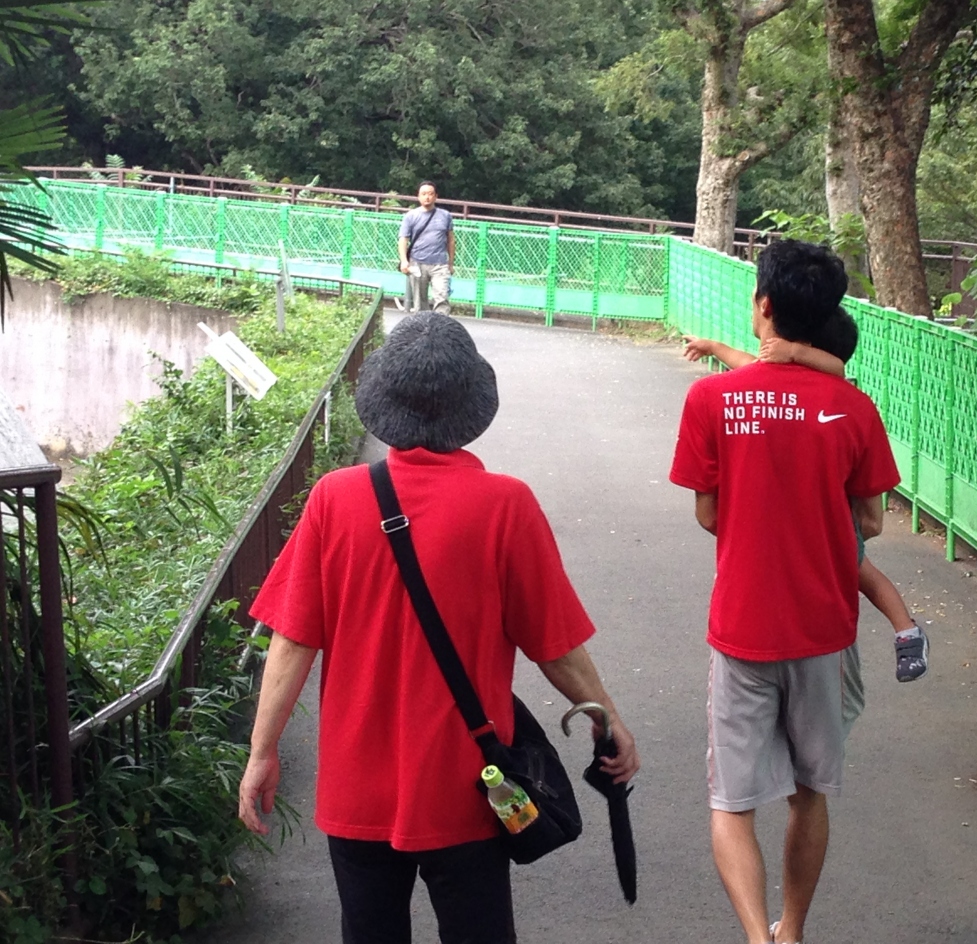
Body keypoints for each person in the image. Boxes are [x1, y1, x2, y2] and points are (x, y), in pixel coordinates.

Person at [238, 312, 640, 944]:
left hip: (355, 788)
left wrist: (262, 752)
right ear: (471, 407)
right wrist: (607, 719)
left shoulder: (334, 500)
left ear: (381, 401)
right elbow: (556, 648)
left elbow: (293, 640)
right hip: (470, 790)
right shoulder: (505, 506)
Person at [669, 240, 901, 944]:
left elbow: (708, 513)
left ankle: (755, 938)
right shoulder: (854, 408)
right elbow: (870, 521)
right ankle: (791, 931)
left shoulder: (711, 399)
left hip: (742, 626)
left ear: (764, 305)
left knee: (731, 802)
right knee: (810, 793)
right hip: (823, 630)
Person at [680, 310, 928, 683]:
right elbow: (747, 364)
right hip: (824, 533)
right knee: (863, 576)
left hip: (827, 531)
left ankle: (907, 630)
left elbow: (833, 366)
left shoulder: (836, 389)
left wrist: (794, 351)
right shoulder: (835, 398)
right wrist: (713, 346)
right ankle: (906, 629)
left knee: (867, 576)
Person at [398, 181, 455, 314]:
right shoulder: (411, 216)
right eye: (423, 194)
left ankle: (440, 324)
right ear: (418, 196)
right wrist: (404, 261)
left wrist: (451, 263)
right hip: (417, 263)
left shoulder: (445, 216)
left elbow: (451, 240)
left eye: (430, 194)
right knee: (420, 302)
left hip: (440, 264)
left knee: (442, 297)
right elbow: (403, 239)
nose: (427, 197)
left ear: (436, 196)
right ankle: (423, 326)